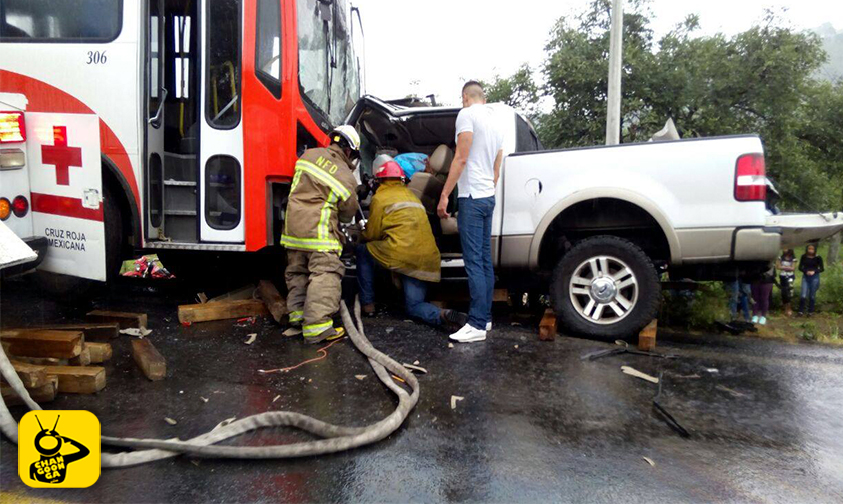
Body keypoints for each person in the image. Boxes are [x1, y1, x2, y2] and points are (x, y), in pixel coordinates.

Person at [356, 159, 468, 328]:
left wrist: (361, 233)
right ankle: (442, 315)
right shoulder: (414, 197)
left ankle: (368, 305)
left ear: (379, 180)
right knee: (414, 305)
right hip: (427, 259)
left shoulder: (380, 198)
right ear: (402, 180)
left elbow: (373, 234)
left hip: (401, 255)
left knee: (364, 250)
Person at [437, 81, 504, 343]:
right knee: (485, 261)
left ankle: (475, 325)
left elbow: (461, 158)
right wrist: (488, 186)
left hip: (472, 197)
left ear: (465, 97)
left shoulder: (466, 115)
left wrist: (444, 194)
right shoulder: (496, 120)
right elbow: (497, 164)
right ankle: (484, 319)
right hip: (487, 196)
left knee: (474, 262)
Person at [281, 126, 360, 344]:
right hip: (319, 233)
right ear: (350, 151)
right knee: (325, 274)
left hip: (292, 229)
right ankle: (317, 327)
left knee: (298, 272)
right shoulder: (345, 175)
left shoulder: (308, 156)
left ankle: (297, 316)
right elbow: (347, 214)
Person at [798, 244, 824, 316]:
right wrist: (806, 271)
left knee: (812, 295)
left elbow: (822, 269)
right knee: (803, 295)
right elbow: (800, 267)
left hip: (814, 277)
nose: (811, 250)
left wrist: (814, 271)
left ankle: (810, 311)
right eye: (809, 249)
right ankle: (800, 311)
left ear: (815, 250)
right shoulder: (803, 257)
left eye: (812, 249)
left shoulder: (818, 257)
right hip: (805, 277)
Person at [776, 249, 797, 317]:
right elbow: (778, 266)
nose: (785, 250)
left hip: (790, 276)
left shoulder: (793, 258)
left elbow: (793, 268)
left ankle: (789, 307)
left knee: (789, 292)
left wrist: (783, 267)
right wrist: (788, 267)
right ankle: (785, 307)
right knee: (784, 292)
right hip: (782, 276)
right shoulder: (780, 258)